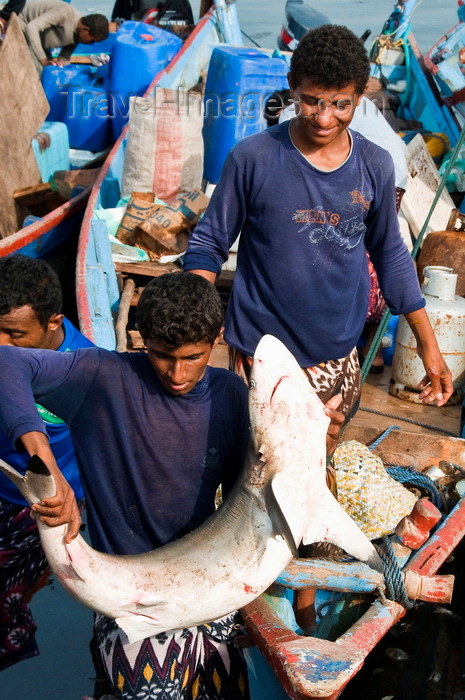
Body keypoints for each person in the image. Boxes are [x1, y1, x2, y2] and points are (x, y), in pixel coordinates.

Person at [183, 24, 453, 426]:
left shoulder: (374, 165)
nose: (325, 118)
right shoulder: (252, 157)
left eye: (341, 104)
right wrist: (193, 325)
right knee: (252, 467)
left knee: (315, 468)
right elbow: (208, 244)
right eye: (311, 101)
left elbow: (391, 254)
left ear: (360, 96)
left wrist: (428, 344)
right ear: (292, 86)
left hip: (337, 352)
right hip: (260, 350)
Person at [0, 272, 251, 699]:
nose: (176, 373)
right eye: (161, 355)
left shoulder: (228, 394)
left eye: (193, 357)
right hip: (124, 590)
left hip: (204, 578)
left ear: (217, 340)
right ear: (140, 339)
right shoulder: (102, 376)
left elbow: (242, 501)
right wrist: (47, 466)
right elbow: (6, 365)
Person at [0, 254, 94, 671]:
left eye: (14, 333)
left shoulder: (87, 370)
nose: (1, 344)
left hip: (38, 509)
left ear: (54, 323)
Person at [17, 0, 109, 72]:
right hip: (21, 25)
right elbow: (31, 28)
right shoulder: (65, 12)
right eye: (91, 40)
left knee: (48, 71)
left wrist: (60, 64)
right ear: (86, 30)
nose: (90, 44)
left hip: (41, 41)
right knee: (35, 69)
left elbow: (64, 59)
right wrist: (43, 61)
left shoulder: (79, 35)